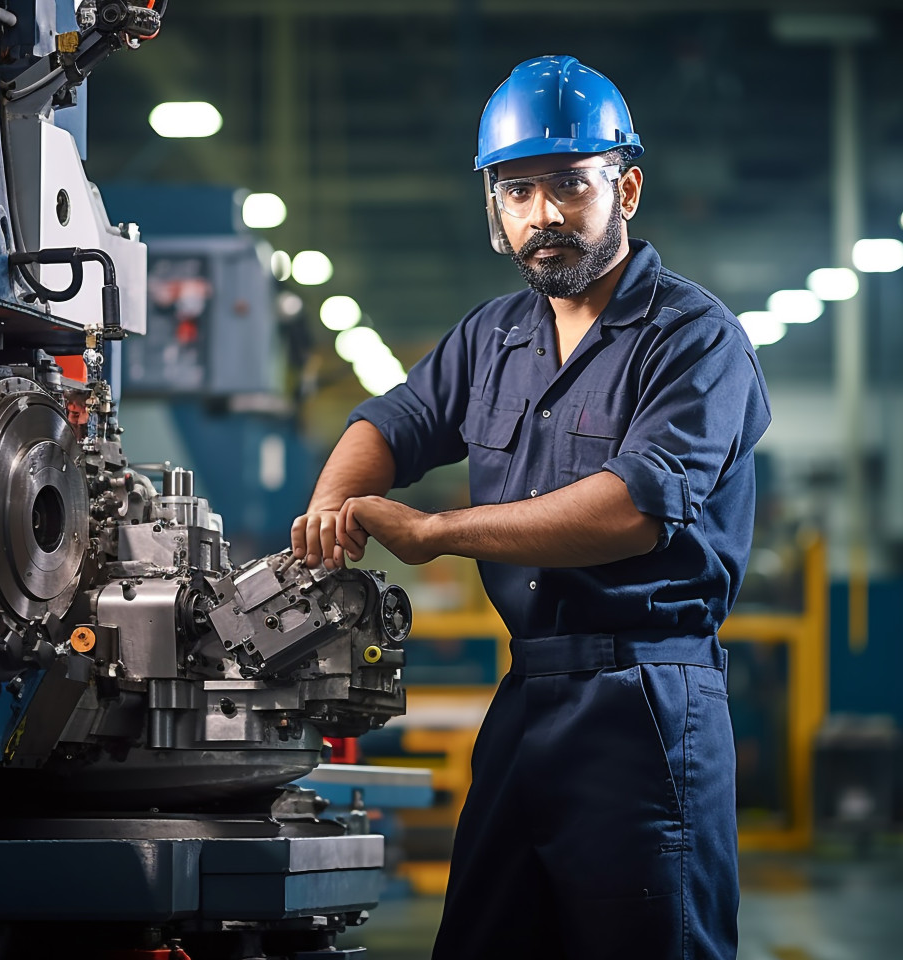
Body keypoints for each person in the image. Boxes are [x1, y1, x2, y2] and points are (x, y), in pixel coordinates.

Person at [291, 55, 770, 960]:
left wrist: (435, 534)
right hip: (530, 695)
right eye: (517, 191)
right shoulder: (493, 336)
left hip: (649, 701)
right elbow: (394, 421)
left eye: (568, 186)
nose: (542, 215)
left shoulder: (697, 338)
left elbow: (631, 508)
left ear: (624, 187)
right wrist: (332, 499)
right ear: (493, 206)